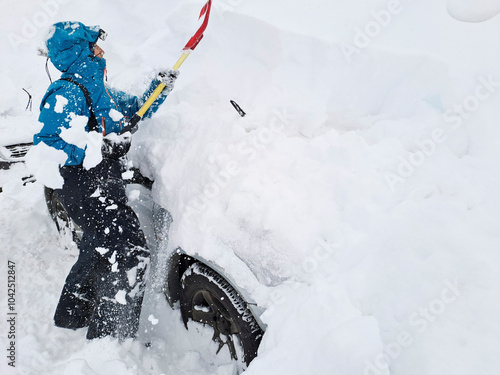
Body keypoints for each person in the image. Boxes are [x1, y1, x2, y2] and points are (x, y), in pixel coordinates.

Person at [33, 21, 178, 340]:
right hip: (82, 186)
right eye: (93, 46)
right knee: (129, 252)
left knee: (98, 248)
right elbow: (47, 143)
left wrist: (160, 88)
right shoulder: (66, 91)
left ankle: (72, 317)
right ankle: (111, 338)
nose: (101, 51)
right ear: (78, 53)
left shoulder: (101, 92)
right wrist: (97, 145)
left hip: (104, 183)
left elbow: (138, 109)